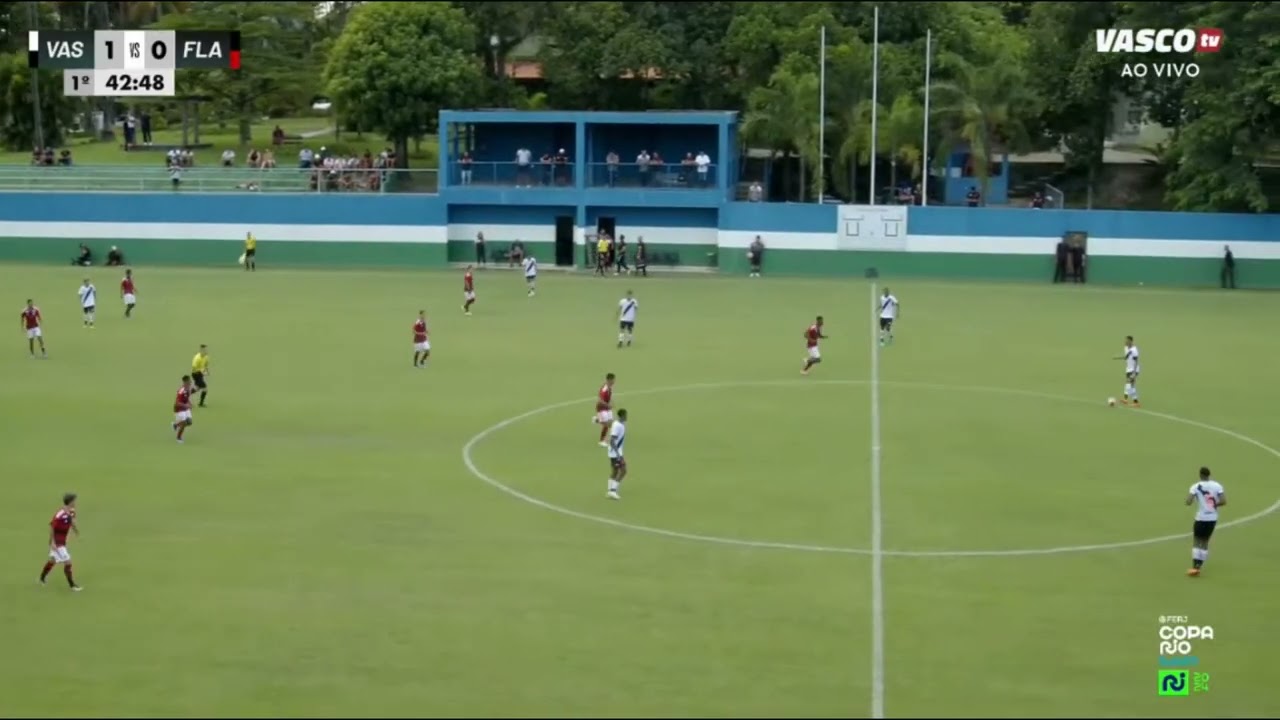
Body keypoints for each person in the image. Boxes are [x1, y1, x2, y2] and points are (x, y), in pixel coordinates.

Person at [1186, 467, 1226, 576]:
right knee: (1205, 541)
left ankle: (1194, 566)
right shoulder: (1217, 486)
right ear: (1209, 475)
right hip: (1212, 518)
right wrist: (1214, 505)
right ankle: (1199, 565)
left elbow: (1188, 502)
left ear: (1200, 475)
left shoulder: (1195, 486)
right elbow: (1223, 501)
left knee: (1197, 540)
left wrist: (1191, 498)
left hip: (1201, 517)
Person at [39, 492, 81, 591]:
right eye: (74, 501)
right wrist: (52, 542)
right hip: (57, 542)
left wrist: (76, 532)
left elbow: (71, 522)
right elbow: (52, 527)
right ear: (70, 502)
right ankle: (72, 586)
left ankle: (42, 578)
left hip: (62, 542)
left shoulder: (71, 511)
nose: (75, 502)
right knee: (68, 562)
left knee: (52, 560)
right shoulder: (60, 514)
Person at [606, 409, 629, 500]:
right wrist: (618, 455)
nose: (627, 417)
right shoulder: (618, 426)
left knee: (615, 471)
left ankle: (609, 491)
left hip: (613, 453)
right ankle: (613, 490)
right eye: (626, 415)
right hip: (616, 453)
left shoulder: (618, 424)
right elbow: (612, 440)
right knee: (623, 471)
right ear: (622, 416)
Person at [1114, 335, 1141, 407]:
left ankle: (1134, 402)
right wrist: (1117, 358)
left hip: (1133, 369)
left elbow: (1136, 361)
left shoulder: (1134, 350)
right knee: (1130, 385)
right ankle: (1129, 400)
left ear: (1131, 341)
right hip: (1128, 369)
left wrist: (1134, 373)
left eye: (1127, 341)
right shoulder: (1126, 348)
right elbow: (1126, 357)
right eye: (1125, 340)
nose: (1125, 342)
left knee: (1129, 384)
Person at [594, 373, 616, 446]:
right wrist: (608, 405)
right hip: (601, 408)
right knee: (606, 424)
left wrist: (611, 403)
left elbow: (610, 396)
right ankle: (601, 441)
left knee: (610, 423)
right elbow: (600, 400)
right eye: (613, 380)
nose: (614, 381)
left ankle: (597, 420)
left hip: (607, 407)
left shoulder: (610, 387)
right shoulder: (605, 389)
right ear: (609, 380)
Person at [172, 376, 195, 443]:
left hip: (185, 408)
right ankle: (178, 438)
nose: (190, 382)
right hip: (179, 409)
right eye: (189, 381)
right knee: (184, 423)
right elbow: (177, 403)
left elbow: (187, 398)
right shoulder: (181, 391)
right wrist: (186, 405)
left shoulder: (189, 389)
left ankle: (175, 425)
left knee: (189, 422)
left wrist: (190, 404)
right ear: (185, 382)